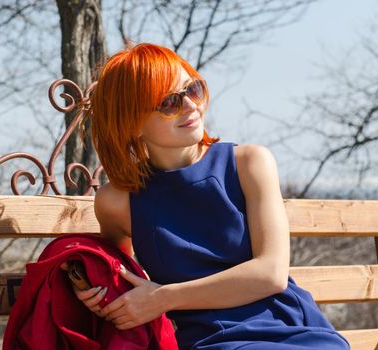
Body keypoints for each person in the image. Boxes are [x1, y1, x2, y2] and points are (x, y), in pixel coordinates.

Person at [71, 43, 351, 350]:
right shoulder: (118, 202)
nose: (190, 105)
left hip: (287, 325)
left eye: (192, 89)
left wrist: (164, 297)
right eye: (168, 102)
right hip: (207, 339)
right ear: (132, 123)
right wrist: (97, 295)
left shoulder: (249, 163)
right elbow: (120, 277)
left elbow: (270, 274)